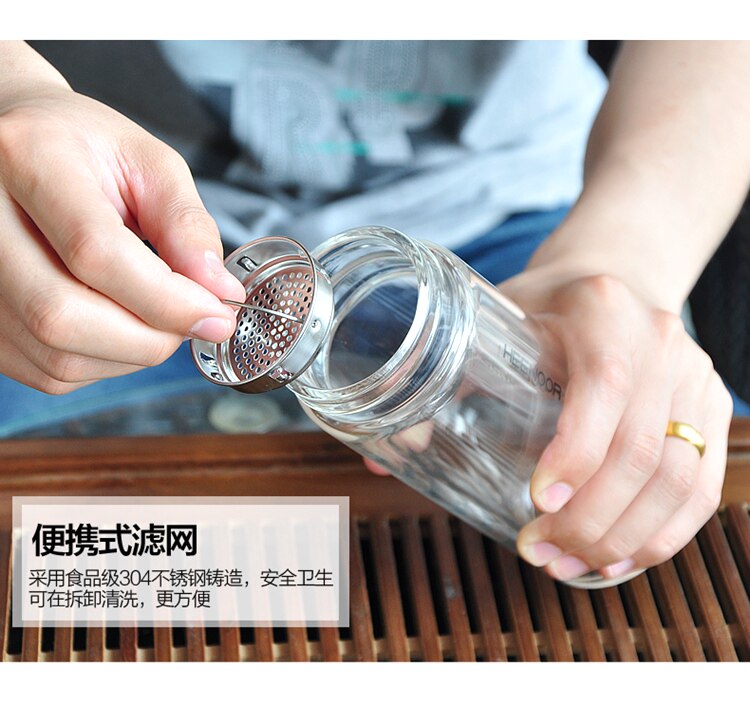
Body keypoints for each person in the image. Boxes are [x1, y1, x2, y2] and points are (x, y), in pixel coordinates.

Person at [0, 40, 747, 584]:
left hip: (546, 221)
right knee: (47, 561)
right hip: (94, 224)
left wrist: (621, 256)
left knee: (662, 479)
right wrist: (14, 92)